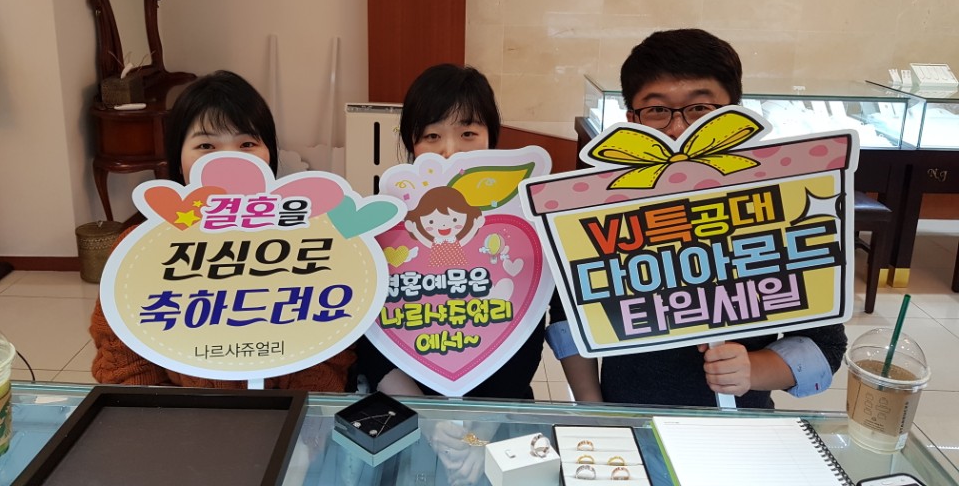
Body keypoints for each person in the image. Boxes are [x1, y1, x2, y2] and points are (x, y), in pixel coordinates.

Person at [548, 29, 848, 409]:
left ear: (734, 110)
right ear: (631, 119)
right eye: (657, 110)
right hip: (626, 416)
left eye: (700, 108)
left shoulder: (779, 206)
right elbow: (568, 317)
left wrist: (753, 369)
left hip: (738, 426)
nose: (678, 128)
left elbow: (826, 346)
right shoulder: (600, 208)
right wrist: (594, 408)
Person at [89, 70, 355, 392]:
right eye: (206, 145)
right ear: (178, 159)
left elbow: (329, 349)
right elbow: (123, 363)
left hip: (285, 409)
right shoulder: (137, 250)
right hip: (184, 413)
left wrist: (290, 404)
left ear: (270, 155)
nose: (229, 160)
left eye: (247, 143)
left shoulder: (312, 242)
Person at [358, 64, 545, 486]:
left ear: (492, 138)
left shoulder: (522, 225)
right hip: (404, 409)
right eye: (431, 136)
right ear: (411, 142)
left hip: (498, 411)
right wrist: (429, 418)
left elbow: (527, 330)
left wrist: (481, 429)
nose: (450, 151)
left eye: (468, 133)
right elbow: (371, 339)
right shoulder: (381, 224)